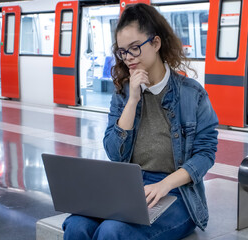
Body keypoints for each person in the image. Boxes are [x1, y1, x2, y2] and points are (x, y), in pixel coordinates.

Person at [62, 3, 218, 240]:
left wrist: (164, 184)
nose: (128, 59)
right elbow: (115, 153)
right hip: (128, 187)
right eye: (123, 52)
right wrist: (133, 100)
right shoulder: (124, 93)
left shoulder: (192, 94)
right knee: (76, 225)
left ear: (156, 43)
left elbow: (205, 154)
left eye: (135, 48)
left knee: (112, 231)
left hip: (177, 194)